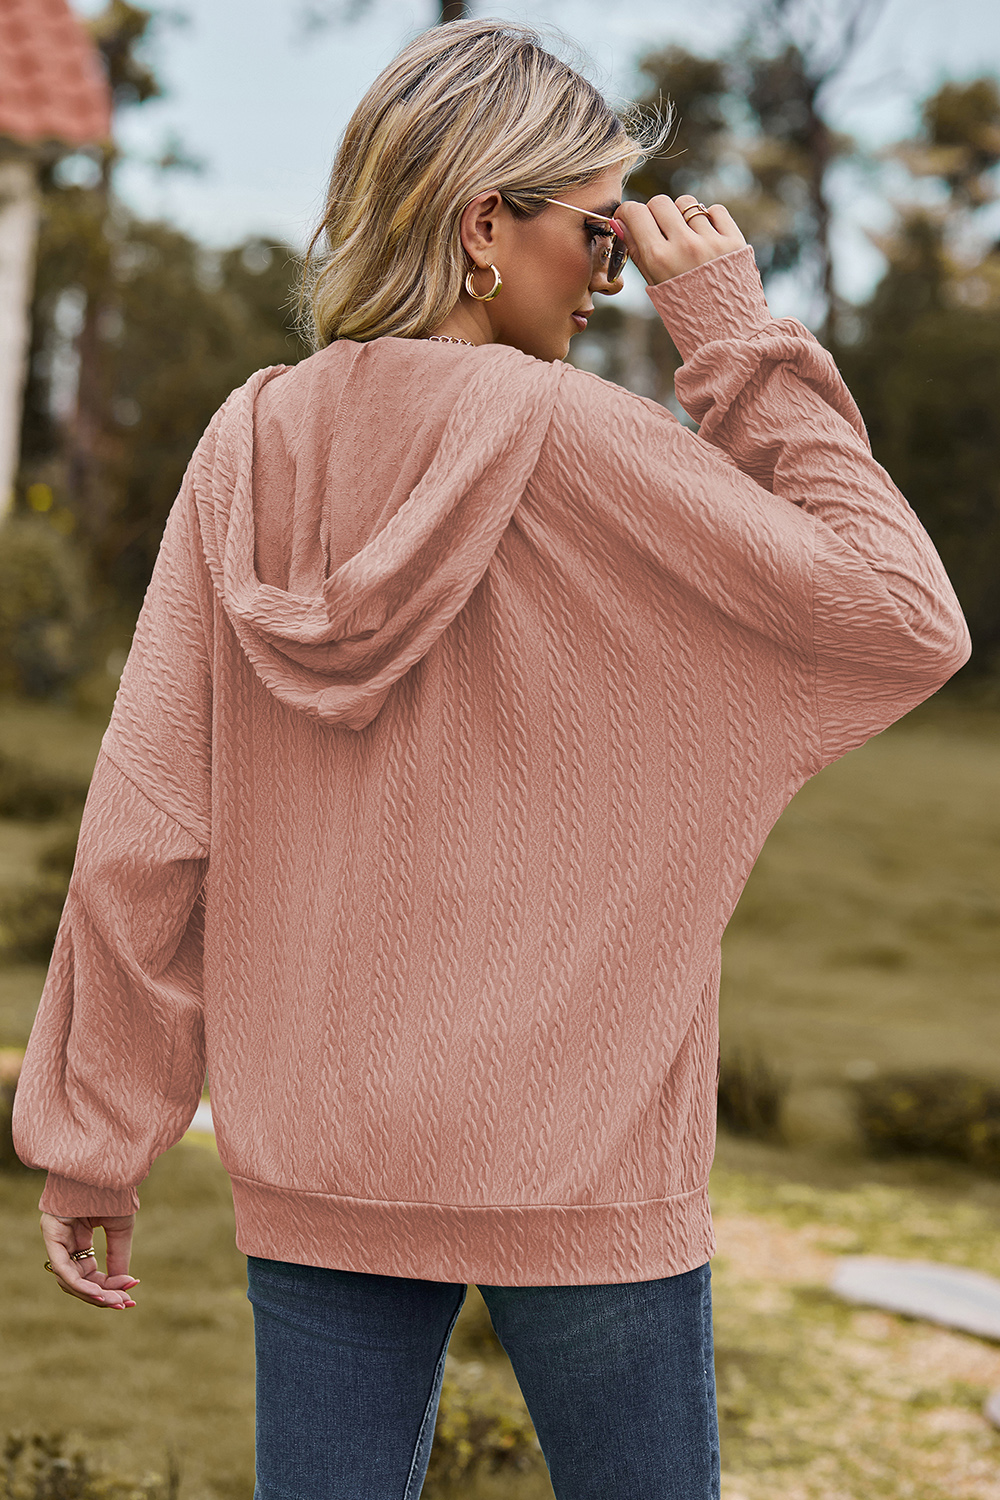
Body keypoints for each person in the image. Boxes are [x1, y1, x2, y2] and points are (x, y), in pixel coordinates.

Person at [13, 18, 971, 1500]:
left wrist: (98, 1137)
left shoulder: (249, 444)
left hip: (323, 1149)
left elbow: (150, 817)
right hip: (582, 1148)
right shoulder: (589, 444)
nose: (610, 279)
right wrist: (732, 336)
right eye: (600, 235)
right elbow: (904, 616)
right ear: (481, 227)